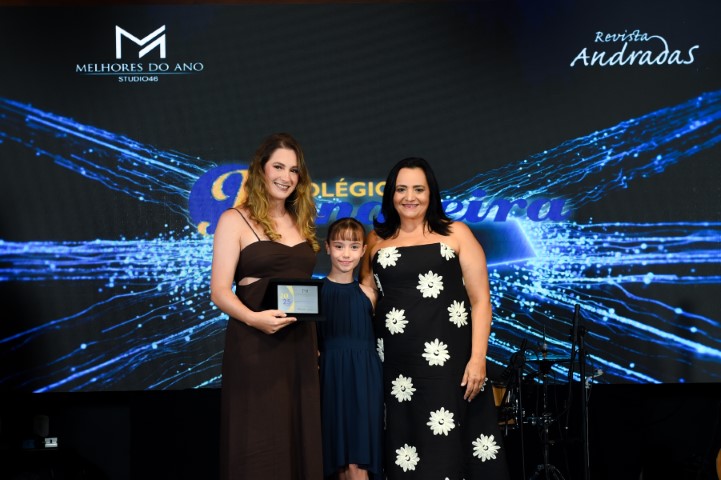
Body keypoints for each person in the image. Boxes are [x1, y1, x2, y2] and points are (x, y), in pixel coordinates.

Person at [359, 157, 510, 480]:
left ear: (431, 193)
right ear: (390, 194)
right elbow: (368, 293)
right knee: (406, 450)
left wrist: (478, 359)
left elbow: (481, 301)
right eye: (401, 189)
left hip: (450, 366)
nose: (409, 197)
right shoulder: (376, 239)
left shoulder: (457, 233)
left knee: (449, 449)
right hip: (396, 369)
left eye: (418, 189)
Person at [210, 132, 323, 480]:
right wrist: (254, 319)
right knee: (257, 438)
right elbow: (219, 291)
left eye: (294, 170)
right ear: (261, 169)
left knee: (298, 435)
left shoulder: (301, 221)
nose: (286, 177)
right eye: (278, 166)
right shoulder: (234, 219)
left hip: (299, 345)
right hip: (255, 343)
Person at [317, 218, 383, 480]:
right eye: (339, 246)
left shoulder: (370, 295)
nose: (346, 254)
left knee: (358, 458)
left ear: (363, 250)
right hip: (331, 377)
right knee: (340, 461)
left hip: (365, 378)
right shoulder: (315, 292)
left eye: (354, 247)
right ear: (327, 247)